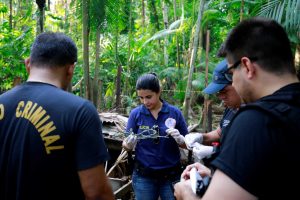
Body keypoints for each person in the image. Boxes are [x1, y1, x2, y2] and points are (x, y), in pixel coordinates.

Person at [174, 17, 300, 199]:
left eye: (232, 73)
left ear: (247, 66)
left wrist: (185, 194)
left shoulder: (256, 120)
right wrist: (217, 175)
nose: (233, 82)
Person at [0, 32, 114, 200]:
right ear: (70, 69)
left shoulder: (2, 102)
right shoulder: (80, 111)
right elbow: (96, 193)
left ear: (28, 64)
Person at [122, 73, 189, 200]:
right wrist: (128, 144)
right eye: (141, 98)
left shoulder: (174, 113)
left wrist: (181, 140)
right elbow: (125, 144)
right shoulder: (136, 114)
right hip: (144, 176)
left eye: (148, 97)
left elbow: (188, 144)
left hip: (170, 176)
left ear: (159, 92)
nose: (145, 102)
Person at [185, 59, 242, 161]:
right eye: (218, 93)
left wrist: (215, 151)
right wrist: (201, 137)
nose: (221, 97)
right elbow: (219, 134)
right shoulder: (231, 108)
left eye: (224, 91)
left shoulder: (256, 114)